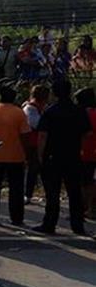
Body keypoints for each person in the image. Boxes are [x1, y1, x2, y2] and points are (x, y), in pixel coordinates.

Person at [32, 79, 91, 236]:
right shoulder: (78, 111)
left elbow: (42, 136)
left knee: (52, 193)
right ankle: (77, 225)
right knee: (74, 192)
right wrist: (77, 145)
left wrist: (40, 155)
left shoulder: (50, 112)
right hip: (73, 155)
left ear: (55, 93)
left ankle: (49, 223)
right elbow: (87, 133)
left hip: (53, 156)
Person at [0, 86, 30, 227]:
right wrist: (27, 153)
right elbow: (25, 134)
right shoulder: (19, 113)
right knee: (16, 189)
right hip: (16, 155)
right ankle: (16, 217)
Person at [23, 85, 50, 203]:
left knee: (39, 170)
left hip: (38, 143)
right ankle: (28, 194)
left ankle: (46, 193)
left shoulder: (39, 108)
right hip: (33, 144)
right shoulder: (30, 109)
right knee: (33, 169)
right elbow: (37, 124)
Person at [75, 88, 96, 220]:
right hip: (93, 151)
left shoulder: (80, 114)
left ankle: (82, 208)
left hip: (83, 151)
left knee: (83, 181)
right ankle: (91, 208)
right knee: (92, 181)